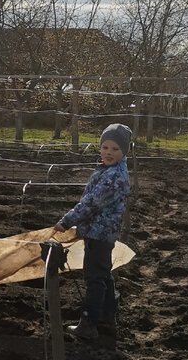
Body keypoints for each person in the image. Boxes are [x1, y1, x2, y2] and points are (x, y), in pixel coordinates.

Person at [55, 122, 132, 343]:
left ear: (123, 152)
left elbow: (91, 203)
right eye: (105, 147)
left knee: (95, 278)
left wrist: (67, 221)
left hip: (99, 234)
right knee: (103, 274)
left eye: (115, 149)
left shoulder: (114, 177)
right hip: (101, 233)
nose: (108, 153)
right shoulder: (109, 169)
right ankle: (108, 315)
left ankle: (88, 323)